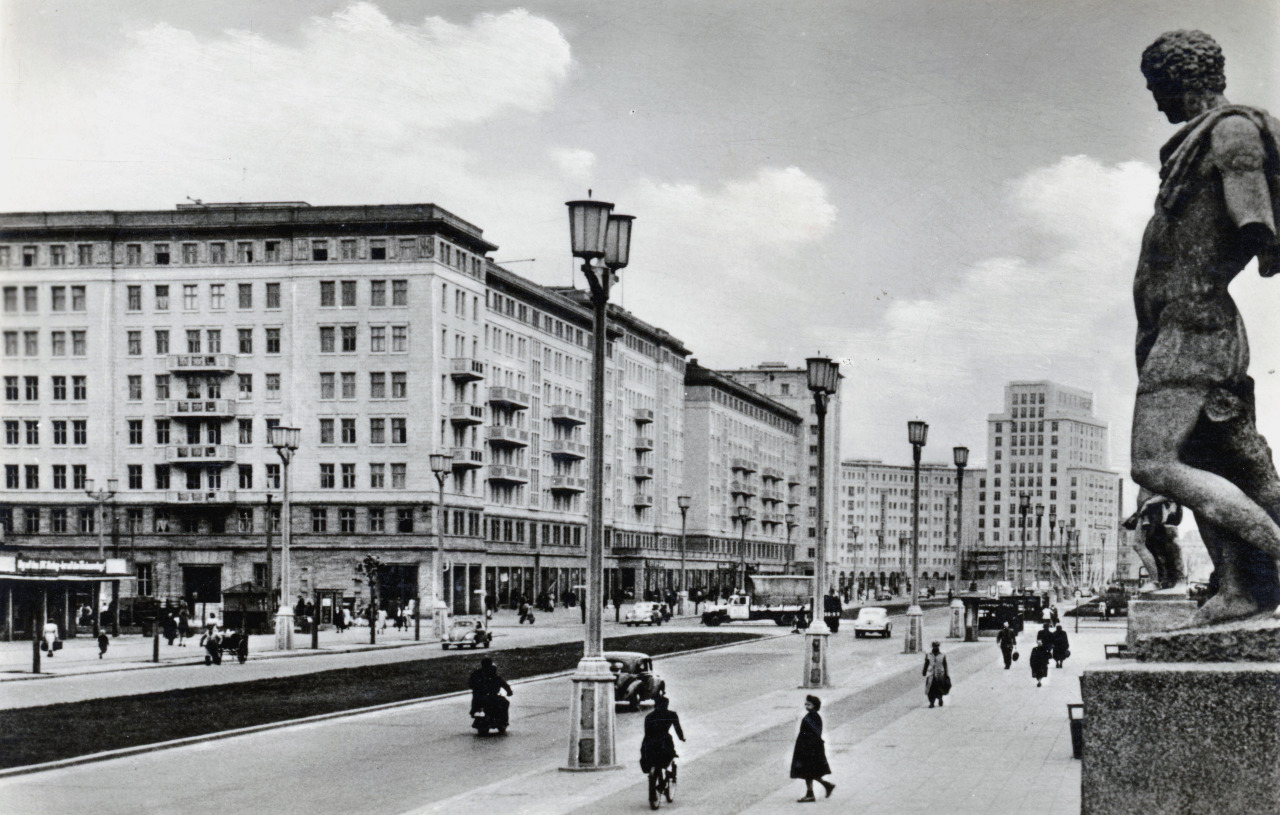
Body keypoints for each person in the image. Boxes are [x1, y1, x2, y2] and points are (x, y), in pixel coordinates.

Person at [1130, 29, 1280, 625]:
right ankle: (1244, 590)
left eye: (1156, 86)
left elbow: (1257, 225)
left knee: (1154, 463)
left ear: (1178, 79)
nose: (1155, 100)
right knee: (1233, 467)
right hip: (1184, 330)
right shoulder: (1200, 141)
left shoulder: (1230, 131)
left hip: (1195, 328)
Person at [790, 695, 835, 802]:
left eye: (809, 704)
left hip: (810, 748)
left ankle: (814, 792)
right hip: (808, 747)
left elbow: (814, 733)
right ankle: (821, 788)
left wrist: (806, 747)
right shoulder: (811, 716)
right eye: (806, 704)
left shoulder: (813, 717)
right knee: (809, 772)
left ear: (815, 705)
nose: (806, 706)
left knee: (809, 772)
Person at [639, 694, 685, 778]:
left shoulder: (649, 717)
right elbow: (677, 728)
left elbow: (647, 732)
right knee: (669, 754)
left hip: (650, 741)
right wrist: (681, 738)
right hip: (664, 739)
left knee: (647, 755)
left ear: (655, 705)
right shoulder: (672, 714)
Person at [923, 641, 949, 708]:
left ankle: (940, 699)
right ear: (932, 647)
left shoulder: (942, 655)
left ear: (938, 647)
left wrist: (946, 674)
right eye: (934, 646)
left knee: (939, 688)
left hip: (940, 674)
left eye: (937, 646)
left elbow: (945, 664)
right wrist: (924, 671)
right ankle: (932, 702)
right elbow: (926, 663)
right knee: (930, 690)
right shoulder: (928, 655)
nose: (936, 648)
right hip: (931, 675)